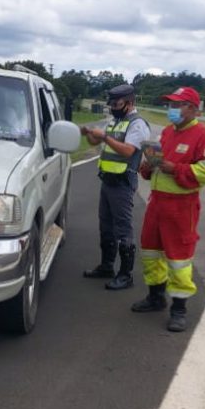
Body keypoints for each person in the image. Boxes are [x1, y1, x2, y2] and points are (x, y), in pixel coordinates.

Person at [131, 86, 205, 332]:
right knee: (150, 252)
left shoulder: (204, 134)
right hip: (157, 202)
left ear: (192, 108)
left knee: (178, 259)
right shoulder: (168, 132)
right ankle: (155, 297)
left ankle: (179, 309)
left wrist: (176, 169)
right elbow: (156, 164)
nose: (172, 109)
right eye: (170, 104)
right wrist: (148, 167)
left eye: (177, 105)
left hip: (182, 207)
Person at [81, 84, 151, 290]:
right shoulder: (116, 121)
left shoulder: (137, 124)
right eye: (111, 103)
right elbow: (96, 141)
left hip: (122, 183)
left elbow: (128, 151)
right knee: (106, 226)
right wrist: (88, 133)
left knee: (123, 229)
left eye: (117, 103)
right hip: (108, 181)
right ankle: (106, 266)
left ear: (129, 103)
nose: (112, 106)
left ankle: (125, 274)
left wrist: (104, 137)